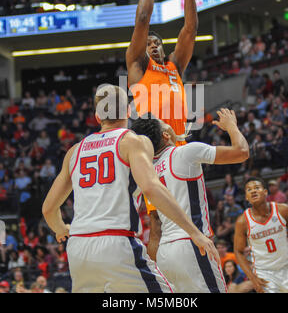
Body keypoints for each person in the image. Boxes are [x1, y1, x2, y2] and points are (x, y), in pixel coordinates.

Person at [42, 84, 220, 293]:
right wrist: (194, 232)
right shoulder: (134, 141)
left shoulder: (74, 151)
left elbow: (48, 209)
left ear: (97, 117)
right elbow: (151, 188)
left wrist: (60, 229)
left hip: (78, 249)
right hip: (116, 242)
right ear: (128, 111)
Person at [131, 107, 249, 293]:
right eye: (166, 124)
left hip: (165, 253)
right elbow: (241, 152)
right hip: (192, 244)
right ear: (165, 135)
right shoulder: (186, 152)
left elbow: (156, 226)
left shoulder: (148, 172)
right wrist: (232, 126)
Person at [126, 0, 199, 146]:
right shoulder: (138, 65)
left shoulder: (174, 65)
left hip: (179, 147)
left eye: (157, 43)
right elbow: (142, 19)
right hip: (153, 149)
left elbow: (190, 30)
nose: (153, 45)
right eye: (148, 43)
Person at [234, 176, 288, 293]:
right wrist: (252, 278)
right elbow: (238, 252)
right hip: (265, 273)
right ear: (246, 197)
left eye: (257, 188)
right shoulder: (242, 221)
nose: (253, 191)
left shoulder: (283, 210)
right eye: (249, 190)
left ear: (265, 192)